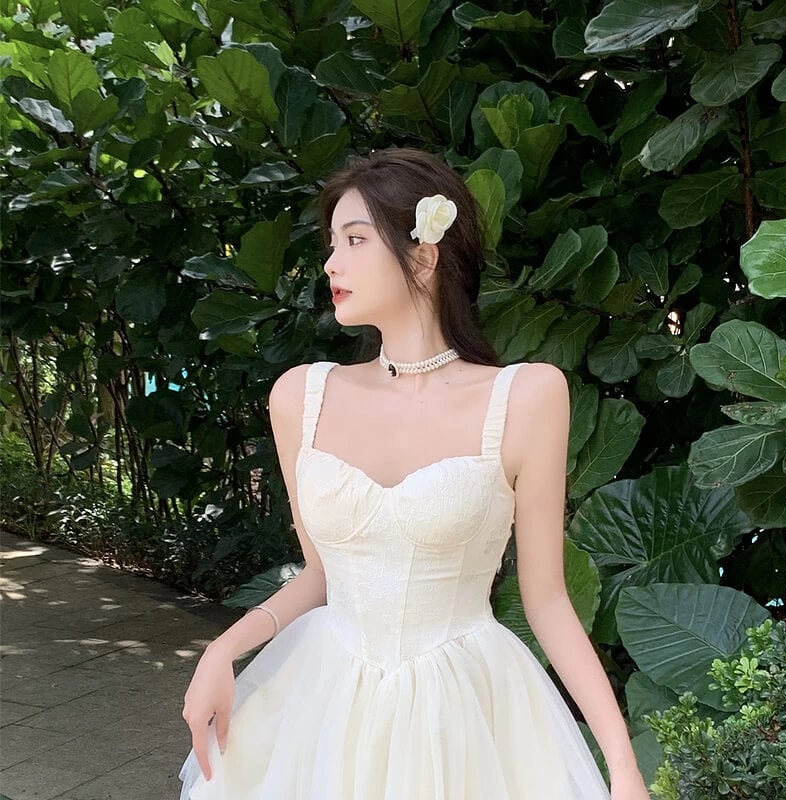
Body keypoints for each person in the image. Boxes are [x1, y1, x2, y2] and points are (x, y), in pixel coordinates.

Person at [178, 147, 650, 799]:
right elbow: (319, 576)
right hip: (326, 705)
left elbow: (545, 599)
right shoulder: (301, 396)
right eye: (332, 243)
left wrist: (622, 766)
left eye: (354, 240)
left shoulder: (525, 397)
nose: (331, 263)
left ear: (423, 257)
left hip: (463, 713)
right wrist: (223, 649)